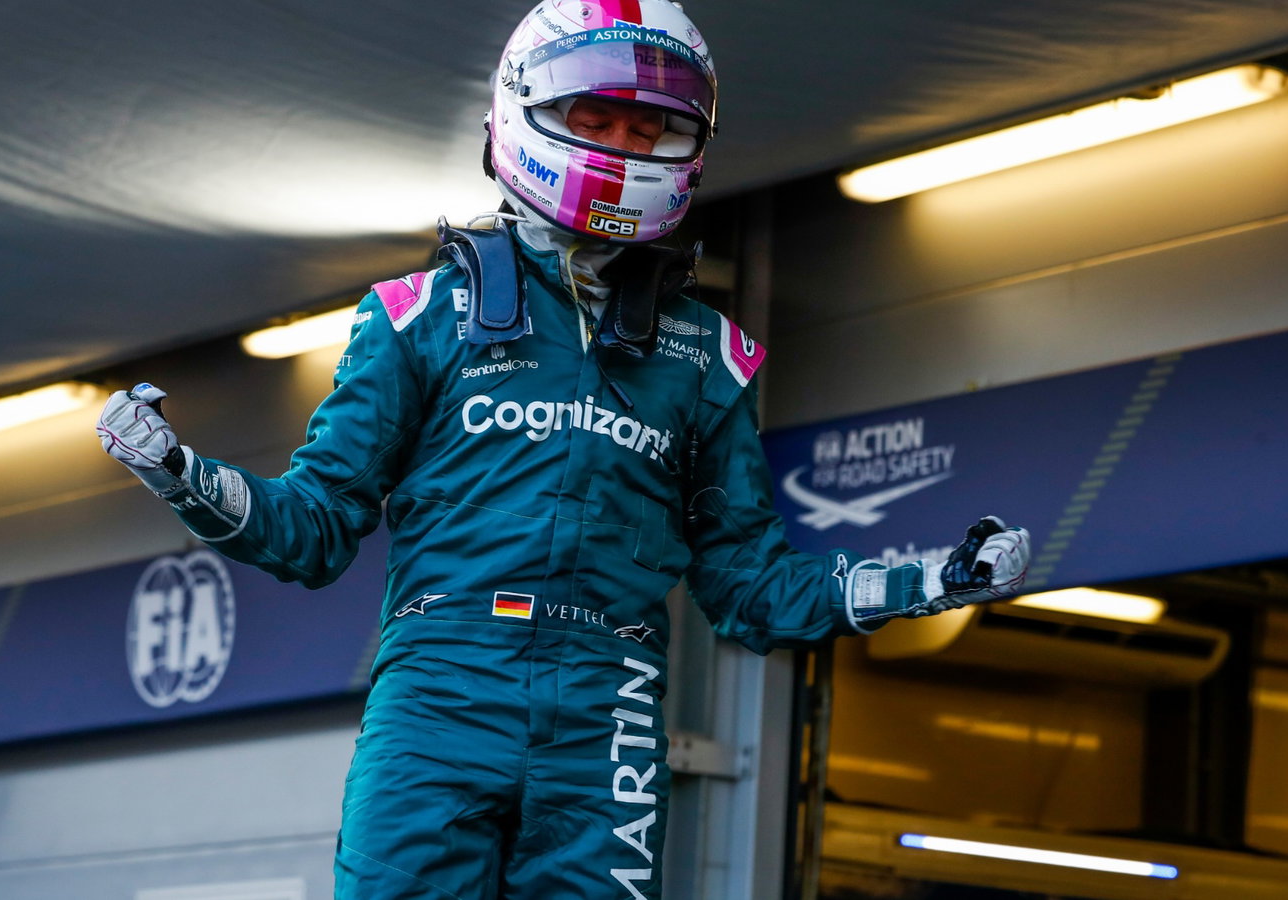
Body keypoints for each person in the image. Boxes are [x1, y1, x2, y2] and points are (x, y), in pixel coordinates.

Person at [96, 2, 1031, 897]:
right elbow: (314, 529)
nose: (627, 150)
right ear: (524, 112)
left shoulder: (710, 357)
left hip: (610, 705)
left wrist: (926, 583)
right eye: (599, 120)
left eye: (653, 131)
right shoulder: (417, 317)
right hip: (440, 685)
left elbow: (747, 585)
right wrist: (179, 473)